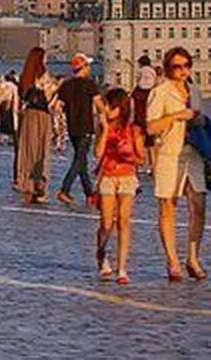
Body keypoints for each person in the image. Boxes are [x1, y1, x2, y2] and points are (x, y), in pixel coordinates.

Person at [147, 46, 209, 280]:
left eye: (186, 66)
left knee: (199, 205)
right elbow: (151, 127)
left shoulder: (194, 90)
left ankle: (193, 257)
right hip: (168, 152)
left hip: (194, 152)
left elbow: (200, 118)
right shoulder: (160, 92)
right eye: (177, 67)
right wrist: (175, 117)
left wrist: (199, 119)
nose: (182, 71)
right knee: (168, 205)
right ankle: (172, 260)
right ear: (168, 69)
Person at [94, 86, 144, 284]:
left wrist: (129, 155)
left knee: (124, 220)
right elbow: (97, 153)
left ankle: (122, 268)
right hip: (107, 175)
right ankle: (101, 253)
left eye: (111, 107)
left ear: (121, 109)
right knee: (107, 222)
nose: (107, 110)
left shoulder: (134, 130)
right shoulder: (103, 127)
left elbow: (141, 159)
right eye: (107, 106)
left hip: (127, 176)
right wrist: (105, 130)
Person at [54, 53, 100, 206]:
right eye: (88, 66)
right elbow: (99, 105)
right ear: (84, 67)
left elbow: (57, 106)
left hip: (72, 127)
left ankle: (90, 194)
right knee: (79, 160)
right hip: (85, 126)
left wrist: (58, 125)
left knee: (82, 162)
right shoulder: (89, 84)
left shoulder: (66, 85)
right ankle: (64, 190)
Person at [13, 49, 54, 205]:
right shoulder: (43, 75)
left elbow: (22, 96)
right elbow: (48, 97)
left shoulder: (25, 77)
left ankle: (27, 184)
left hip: (28, 115)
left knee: (29, 150)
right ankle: (40, 185)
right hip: (41, 116)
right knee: (41, 151)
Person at [0, 70, 20, 143]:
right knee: (12, 122)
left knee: (5, 121)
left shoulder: (5, 85)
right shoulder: (15, 86)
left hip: (6, 104)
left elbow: (1, 95)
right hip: (13, 105)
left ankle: (4, 137)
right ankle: (11, 138)